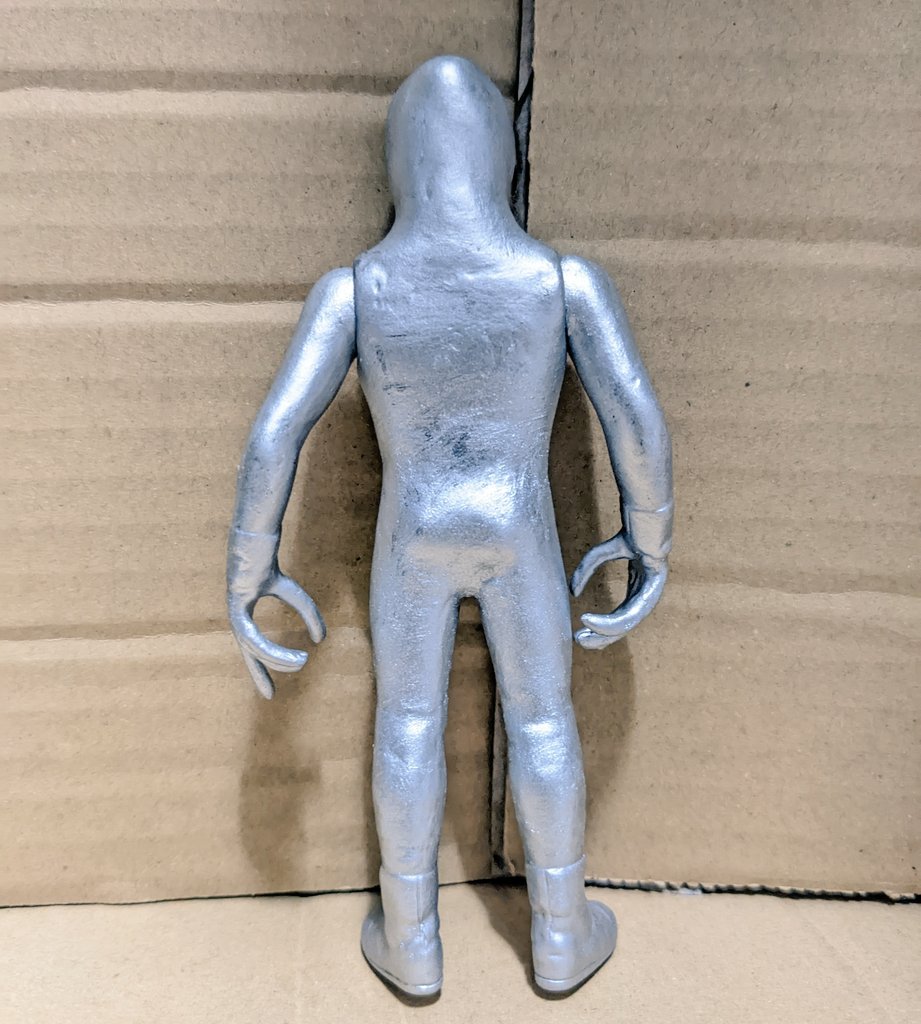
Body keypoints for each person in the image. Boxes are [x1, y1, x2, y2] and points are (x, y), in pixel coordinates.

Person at [227, 55, 672, 998]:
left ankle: (411, 937)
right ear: (503, 156)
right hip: (518, 526)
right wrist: (649, 535)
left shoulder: (357, 289)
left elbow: (275, 434)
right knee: (542, 718)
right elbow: (633, 412)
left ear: (399, 163)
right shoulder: (559, 280)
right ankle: (560, 931)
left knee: (408, 720)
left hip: (412, 533)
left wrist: (250, 565)